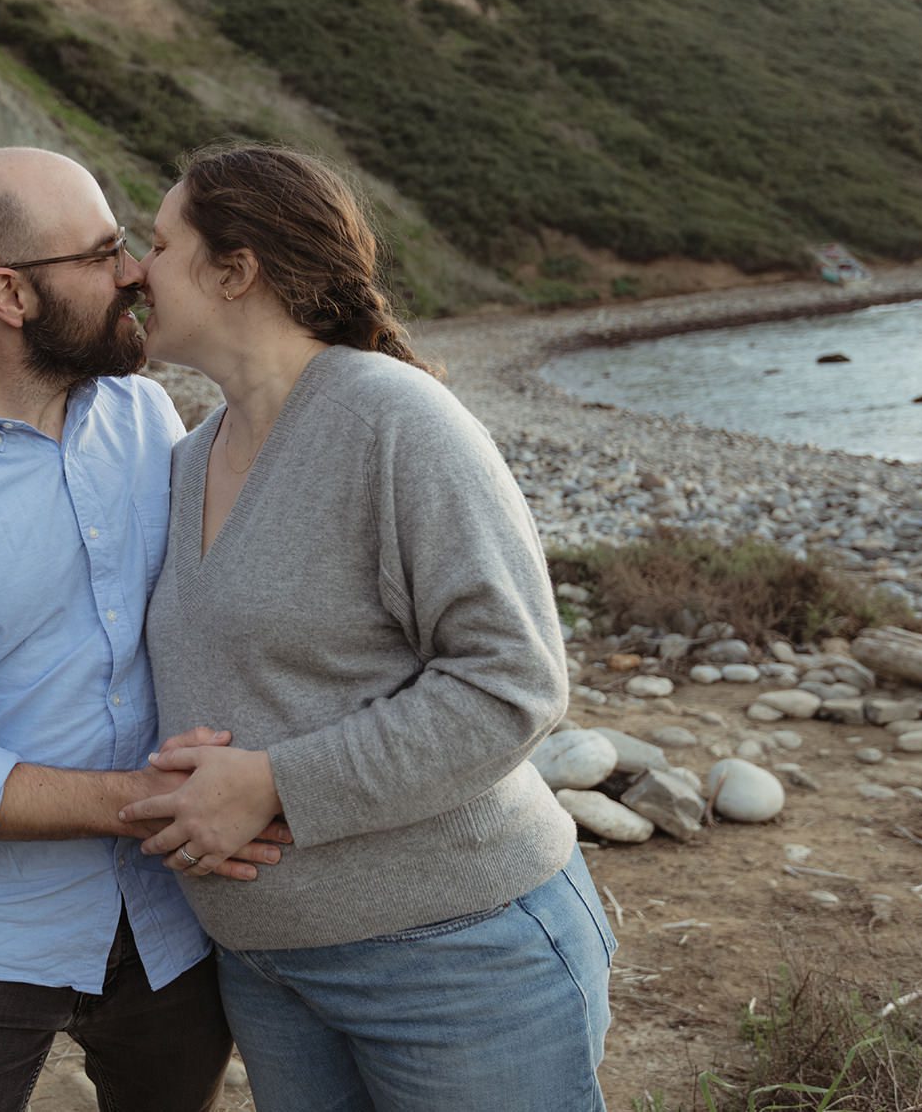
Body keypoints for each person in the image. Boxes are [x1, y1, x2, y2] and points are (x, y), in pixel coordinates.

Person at [118, 143, 616, 1111]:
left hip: (454, 960)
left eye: (160, 244)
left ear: (235, 269)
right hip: (268, 971)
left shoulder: (395, 421)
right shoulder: (188, 457)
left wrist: (273, 784)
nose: (136, 271)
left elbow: (512, 682)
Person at [0, 147, 286, 1112]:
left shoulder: (146, 415)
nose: (135, 273)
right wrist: (143, 801)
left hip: (171, 918)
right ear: (10, 295)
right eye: (103, 253)